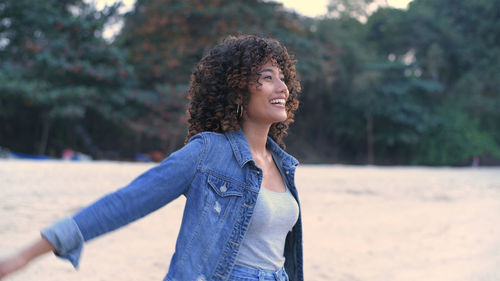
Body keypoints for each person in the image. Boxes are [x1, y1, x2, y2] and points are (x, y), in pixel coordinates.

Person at [0, 34, 303, 281]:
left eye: (283, 78)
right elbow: (129, 201)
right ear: (237, 91)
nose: (282, 87)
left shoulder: (284, 164)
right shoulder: (209, 152)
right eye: (267, 77)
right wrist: (25, 255)